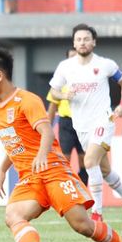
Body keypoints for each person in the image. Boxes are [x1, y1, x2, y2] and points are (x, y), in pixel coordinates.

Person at [0, 48, 122, 242]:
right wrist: (2, 169)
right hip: (30, 177)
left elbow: (46, 131)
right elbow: (17, 142)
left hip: (53, 170)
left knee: (82, 225)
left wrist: (42, 155)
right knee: (13, 214)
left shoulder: (27, 100)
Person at [49, 23, 122, 224]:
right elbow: (53, 91)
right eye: (79, 39)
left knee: (89, 162)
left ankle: (97, 212)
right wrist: (63, 94)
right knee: (104, 170)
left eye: (86, 39)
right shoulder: (65, 67)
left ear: (93, 42)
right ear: (74, 43)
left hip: (103, 121)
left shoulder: (105, 65)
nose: (82, 42)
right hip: (81, 126)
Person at [45, 48, 88, 185]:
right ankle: (66, 191)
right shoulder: (61, 80)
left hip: (83, 123)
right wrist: (46, 129)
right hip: (66, 123)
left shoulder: (87, 80)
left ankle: (82, 191)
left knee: (85, 160)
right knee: (65, 159)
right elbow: (52, 107)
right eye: (70, 57)